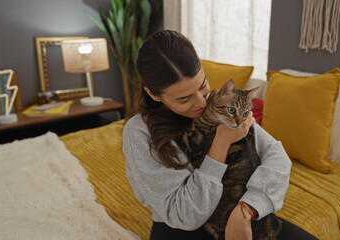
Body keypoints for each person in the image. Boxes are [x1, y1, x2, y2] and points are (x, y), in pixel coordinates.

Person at [123, 30, 318, 240]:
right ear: (153, 94)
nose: (200, 102)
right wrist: (221, 143)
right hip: (183, 229)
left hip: (239, 210)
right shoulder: (140, 133)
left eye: (202, 85)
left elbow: (277, 156)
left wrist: (247, 209)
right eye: (184, 99)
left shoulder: (218, 103)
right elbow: (185, 215)